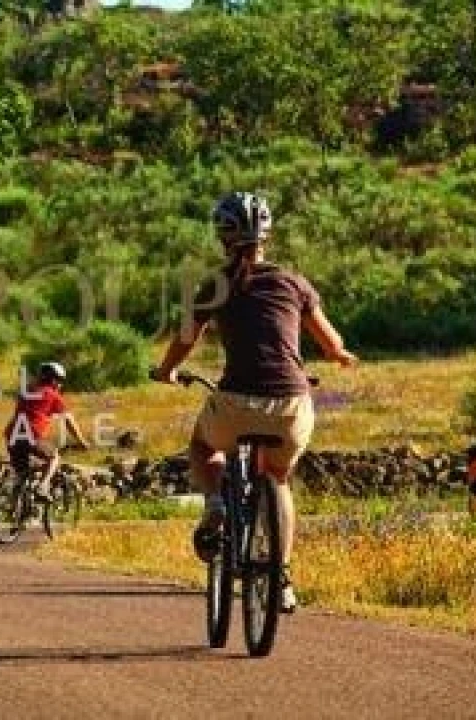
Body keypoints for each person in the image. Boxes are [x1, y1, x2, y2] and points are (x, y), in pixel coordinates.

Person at [151, 191, 357, 614]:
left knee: (202, 447)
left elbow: (185, 340)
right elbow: (332, 342)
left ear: (221, 237)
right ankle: (280, 578)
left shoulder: (216, 284)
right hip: (290, 408)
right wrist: (339, 357)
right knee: (278, 479)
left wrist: (167, 370)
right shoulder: (294, 283)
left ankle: (215, 502)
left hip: (235, 404)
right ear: (267, 235)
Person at [4, 361, 91, 500]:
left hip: (12, 436)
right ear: (55, 380)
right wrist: (81, 441)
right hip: (31, 435)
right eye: (61, 381)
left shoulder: (27, 390)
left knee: (22, 474)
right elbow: (68, 421)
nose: (61, 385)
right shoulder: (53, 395)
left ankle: (16, 509)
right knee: (54, 457)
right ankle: (43, 487)